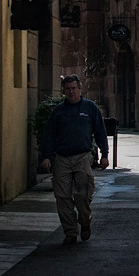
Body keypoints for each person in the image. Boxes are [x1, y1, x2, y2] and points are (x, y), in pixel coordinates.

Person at [39, 74, 109, 245]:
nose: (71, 92)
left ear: (80, 89)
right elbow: (49, 135)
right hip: (62, 158)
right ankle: (70, 232)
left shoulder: (90, 108)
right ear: (64, 91)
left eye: (74, 88)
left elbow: (100, 131)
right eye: (68, 89)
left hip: (82, 156)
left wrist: (105, 154)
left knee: (82, 195)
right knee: (62, 197)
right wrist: (46, 156)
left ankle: (85, 222)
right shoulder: (58, 111)